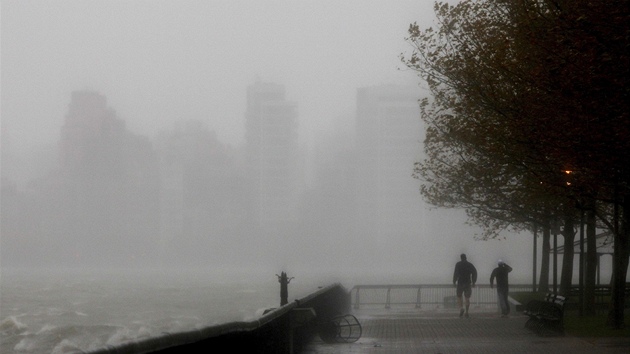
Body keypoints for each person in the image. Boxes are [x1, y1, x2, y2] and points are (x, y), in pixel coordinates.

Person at [453, 253, 477, 318]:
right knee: (467, 298)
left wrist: (454, 281)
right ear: (466, 257)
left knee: (459, 296)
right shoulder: (469, 265)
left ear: (461, 258)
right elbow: (474, 272)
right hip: (467, 283)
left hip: (460, 283)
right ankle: (466, 312)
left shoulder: (458, 264)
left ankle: (461, 308)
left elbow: (455, 273)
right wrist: (473, 281)